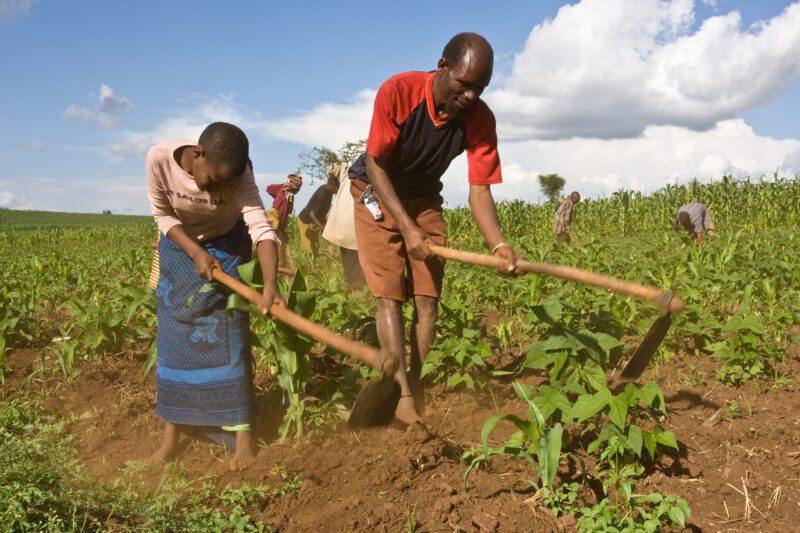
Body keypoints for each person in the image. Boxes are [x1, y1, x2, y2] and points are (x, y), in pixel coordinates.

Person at [348, 32, 518, 425]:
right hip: (376, 190)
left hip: (423, 197)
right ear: (443, 68)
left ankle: (415, 383)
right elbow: (376, 164)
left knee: (427, 298)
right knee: (390, 295)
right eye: (464, 83)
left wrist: (499, 246)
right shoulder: (398, 91)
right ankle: (403, 397)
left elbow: (480, 192)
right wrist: (407, 229)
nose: (472, 95)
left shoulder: (480, 119)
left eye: (481, 88)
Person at [145, 122, 284, 471]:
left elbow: (260, 227)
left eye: (226, 184)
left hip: (228, 242)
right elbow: (163, 214)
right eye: (213, 181)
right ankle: (171, 436)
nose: (218, 191)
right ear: (198, 154)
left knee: (230, 334)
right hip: (181, 244)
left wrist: (270, 286)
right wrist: (194, 252)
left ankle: (243, 439)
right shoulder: (159, 160)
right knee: (173, 337)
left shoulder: (240, 174)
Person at [322, 164, 366, 292]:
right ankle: (358, 292)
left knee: (349, 260)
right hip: (355, 225)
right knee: (357, 260)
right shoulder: (367, 177)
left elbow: (332, 168)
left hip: (344, 226)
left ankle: (352, 289)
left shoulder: (347, 174)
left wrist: (334, 184)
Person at [297, 172, 339, 257]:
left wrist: (325, 224)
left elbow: (321, 212)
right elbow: (311, 214)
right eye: (336, 189)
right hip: (306, 221)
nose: (337, 191)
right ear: (332, 186)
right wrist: (322, 227)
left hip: (314, 221)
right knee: (309, 250)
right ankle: (308, 269)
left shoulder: (328, 192)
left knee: (315, 247)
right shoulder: (322, 195)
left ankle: (315, 267)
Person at [266, 174, 303, 266]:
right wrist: (282, 230)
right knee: (277, 249)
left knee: (279, 247)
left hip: (277, 223)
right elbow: (269, 188)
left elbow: (285, 215)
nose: (298, 190)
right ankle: (278, 272)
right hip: (274, 222)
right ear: (293, 187)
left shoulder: (288, 194)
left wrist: (283, 230)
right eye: (297, 188)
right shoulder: (284, 194)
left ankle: (279, 270)